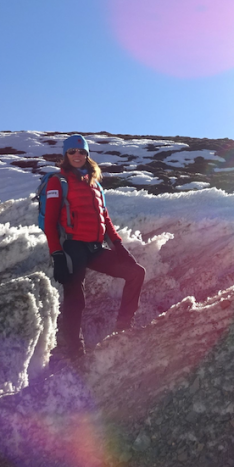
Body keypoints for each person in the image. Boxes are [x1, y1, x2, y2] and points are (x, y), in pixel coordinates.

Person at [43, 134, 146, 359]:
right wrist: (58, 255)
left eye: (82, 152)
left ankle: (123, 328)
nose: (77, 155)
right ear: (65, 155)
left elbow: (105, 219)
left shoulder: (95, 183)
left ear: (87, 155)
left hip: (95, 248)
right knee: (75, 298)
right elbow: (50, 223)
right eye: (72, 152)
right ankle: (74, 351)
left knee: (136, 273)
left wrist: (119, 246)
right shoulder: (57, 181)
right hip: (72, 247)